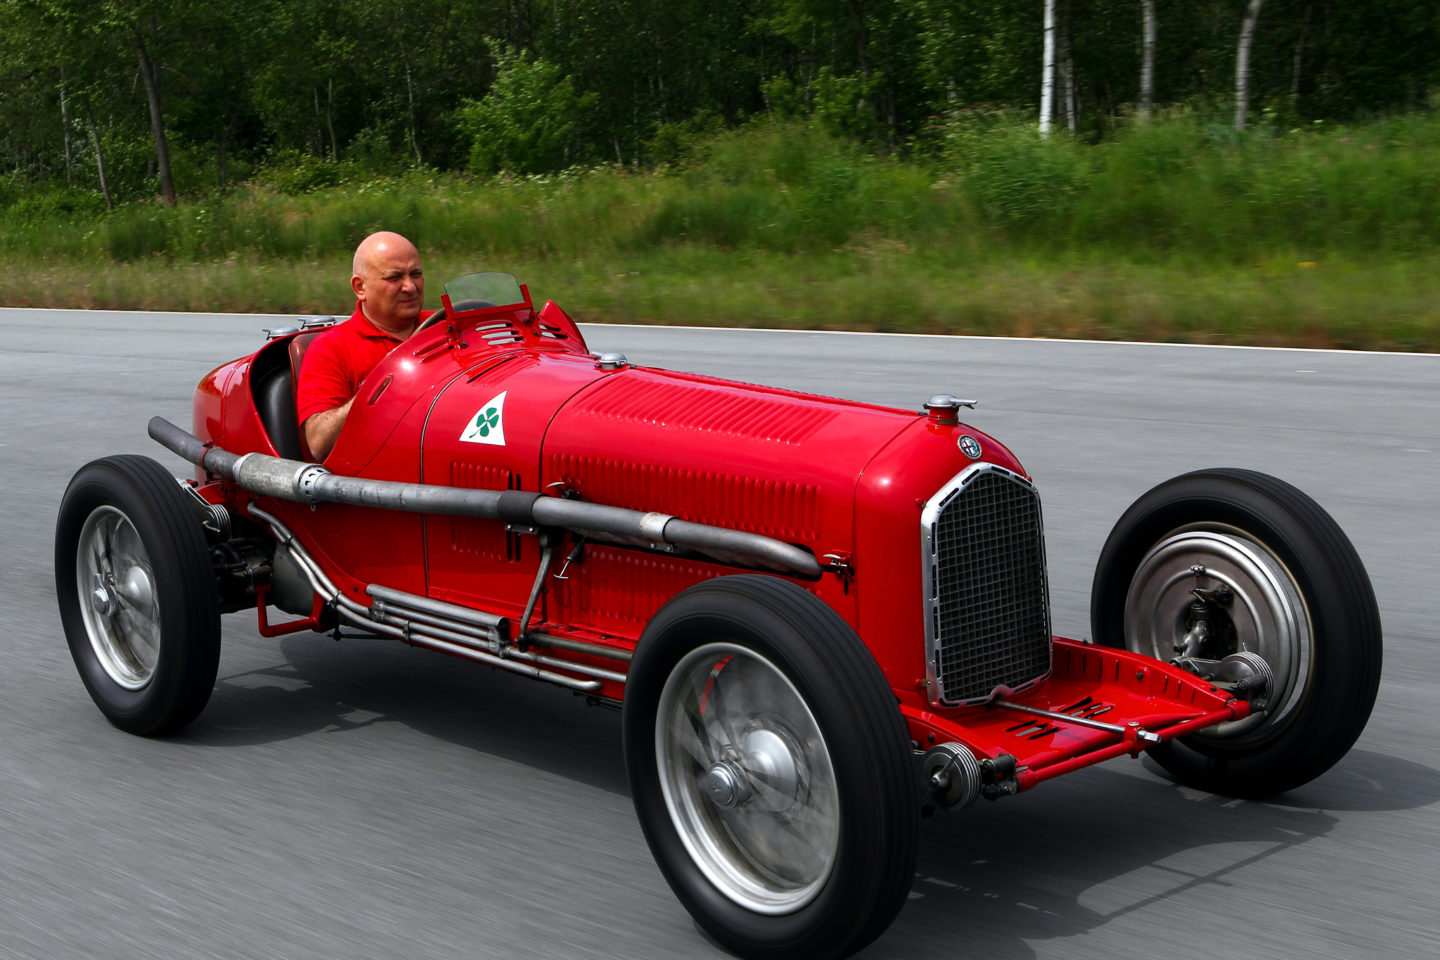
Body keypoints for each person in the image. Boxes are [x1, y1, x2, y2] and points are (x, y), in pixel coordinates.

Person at [296, 231, 427, 460]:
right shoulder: (331, 348)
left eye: (416, 274)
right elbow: (318, 442)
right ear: (360, 288)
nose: (410, 287)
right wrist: (378, 393)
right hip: (382, 473)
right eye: (394, 278)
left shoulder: (444, 326)